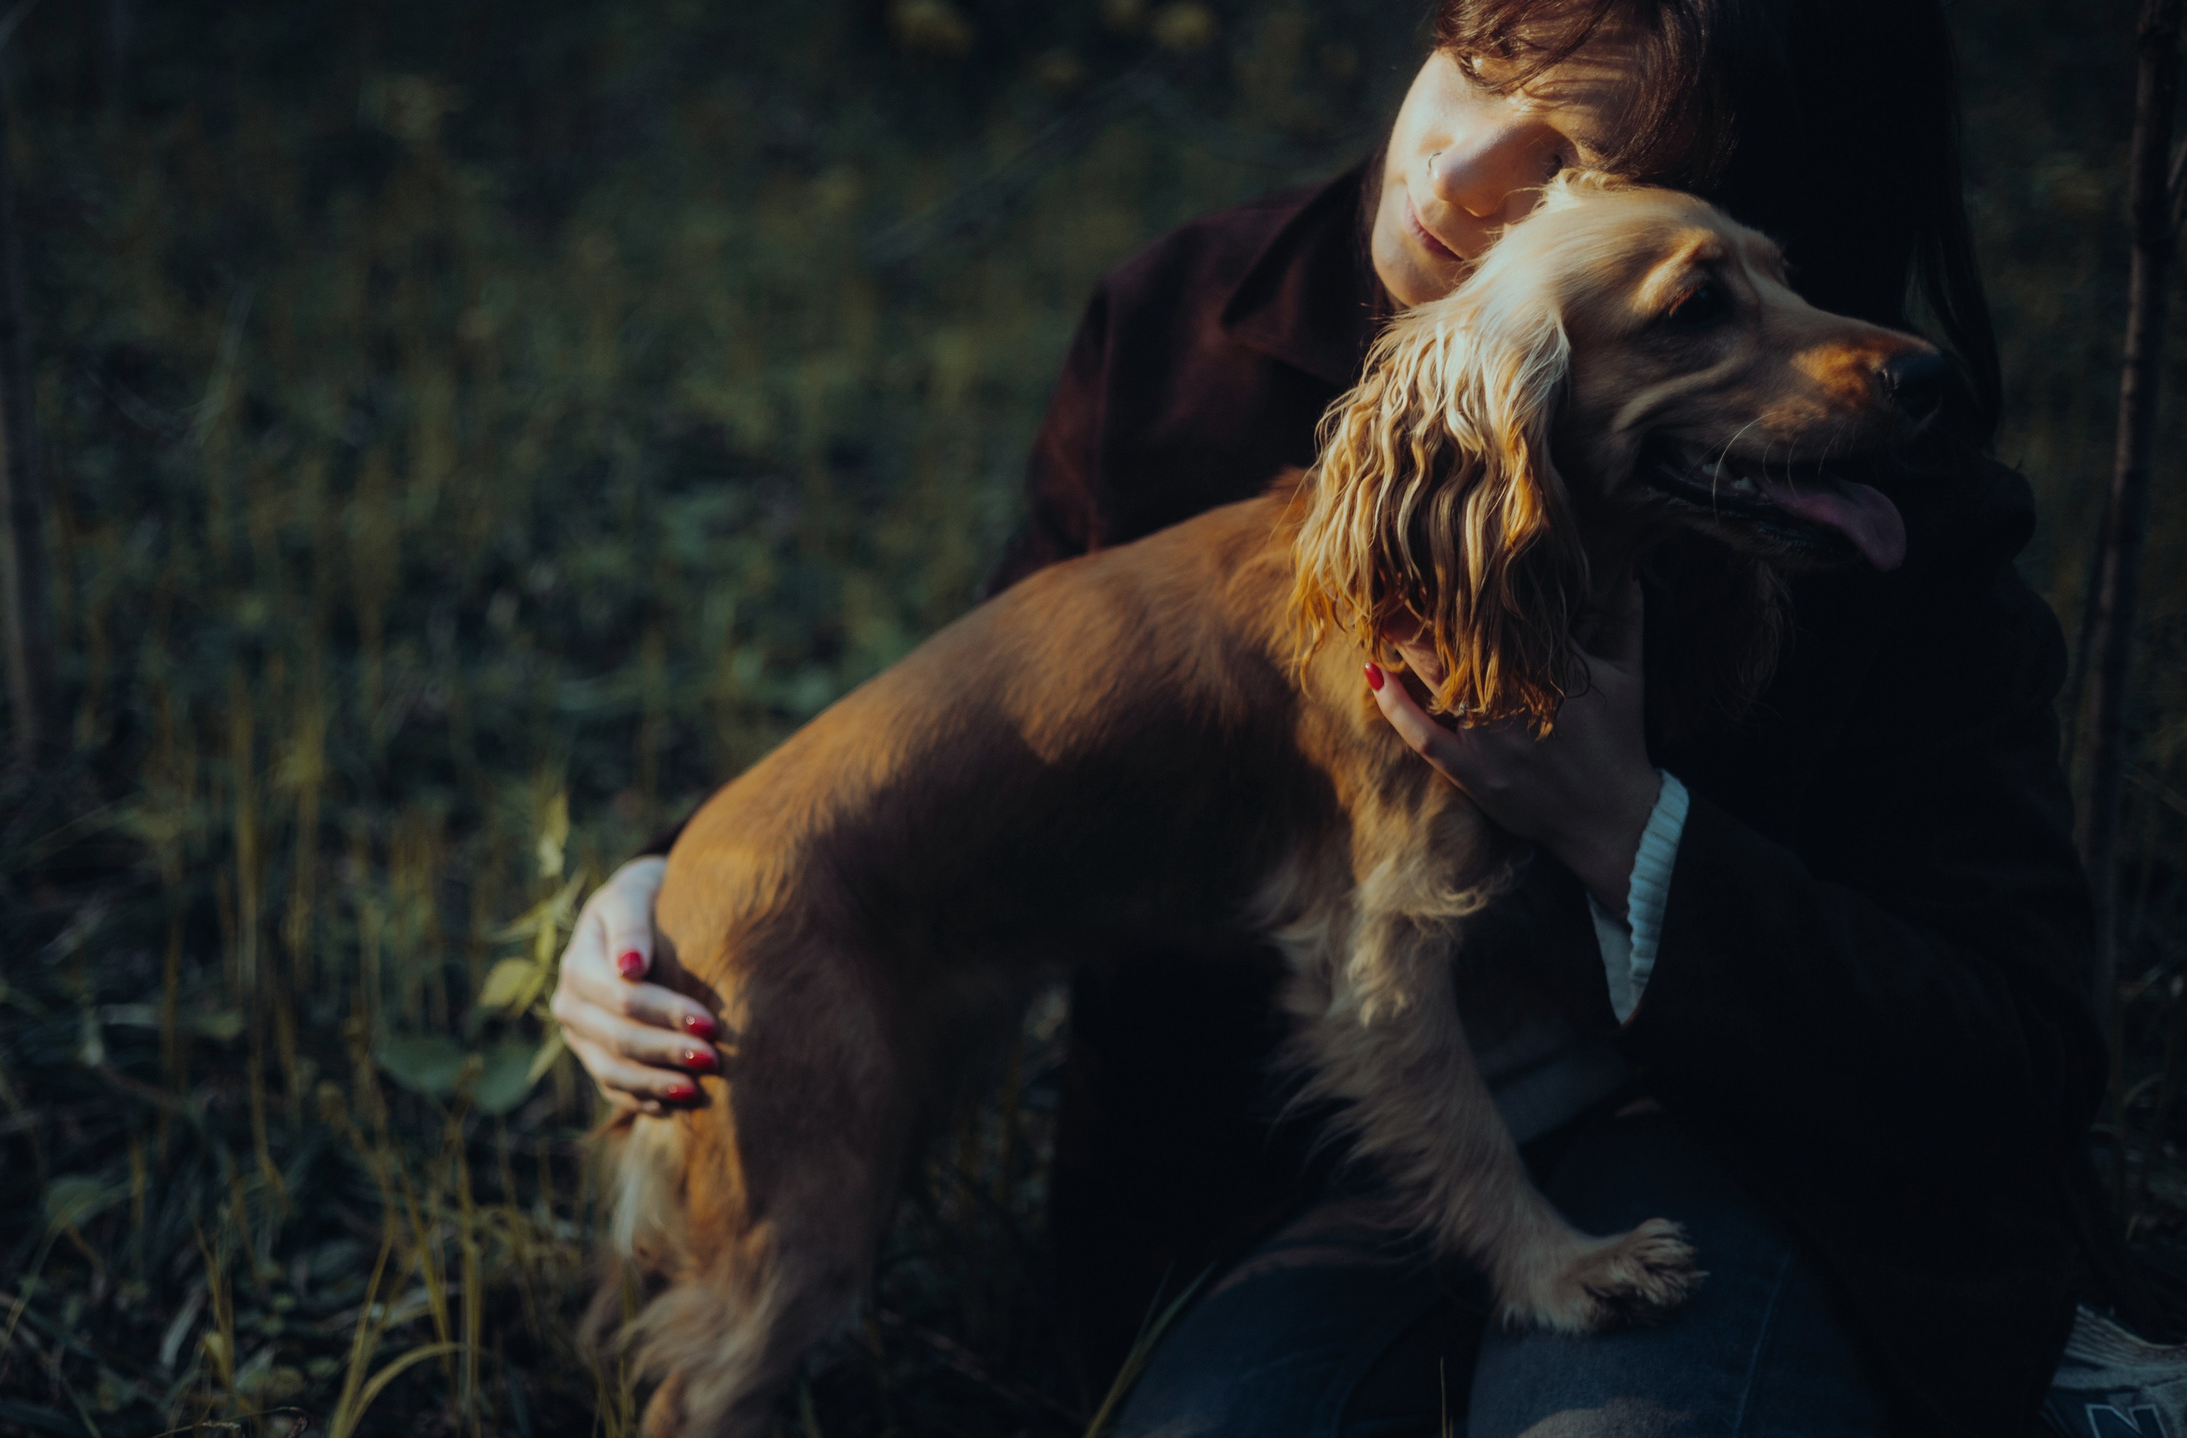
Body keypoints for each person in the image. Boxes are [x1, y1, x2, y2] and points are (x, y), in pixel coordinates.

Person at [552, 0, 2137, 1431]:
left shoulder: (1881, 484)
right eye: (1476, 61)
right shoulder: (1180, 324)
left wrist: (1628, 829)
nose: (1457, 172)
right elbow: (983, 728)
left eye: (1570, 161)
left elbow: (2019, 1051)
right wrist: (667, 892)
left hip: (1753, 1156)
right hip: (1323, 1186)